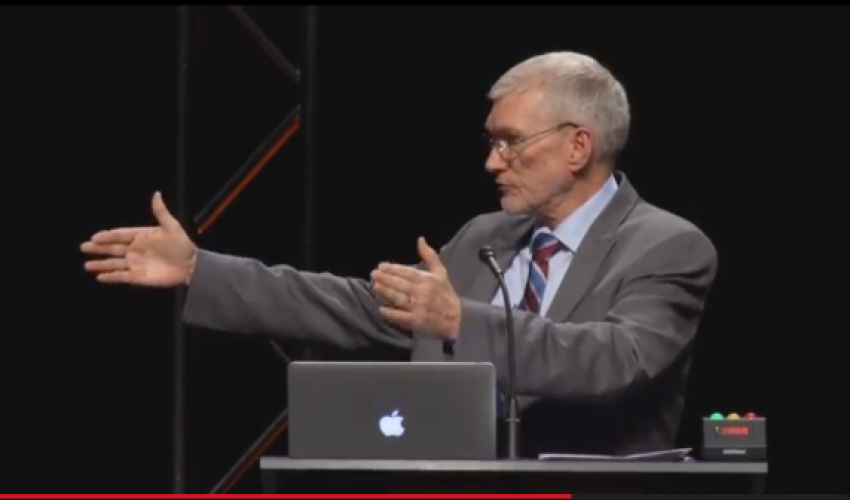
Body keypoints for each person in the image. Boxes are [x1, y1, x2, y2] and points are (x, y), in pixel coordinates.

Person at [81, 51, 717, 457]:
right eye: (491, 142)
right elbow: (359, 305)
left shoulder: (666, 246)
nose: (492, 162)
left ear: (578, 146)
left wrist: (459, 321)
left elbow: (615, 361)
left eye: (511, 142)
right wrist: (200, 268)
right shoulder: (483, 238)